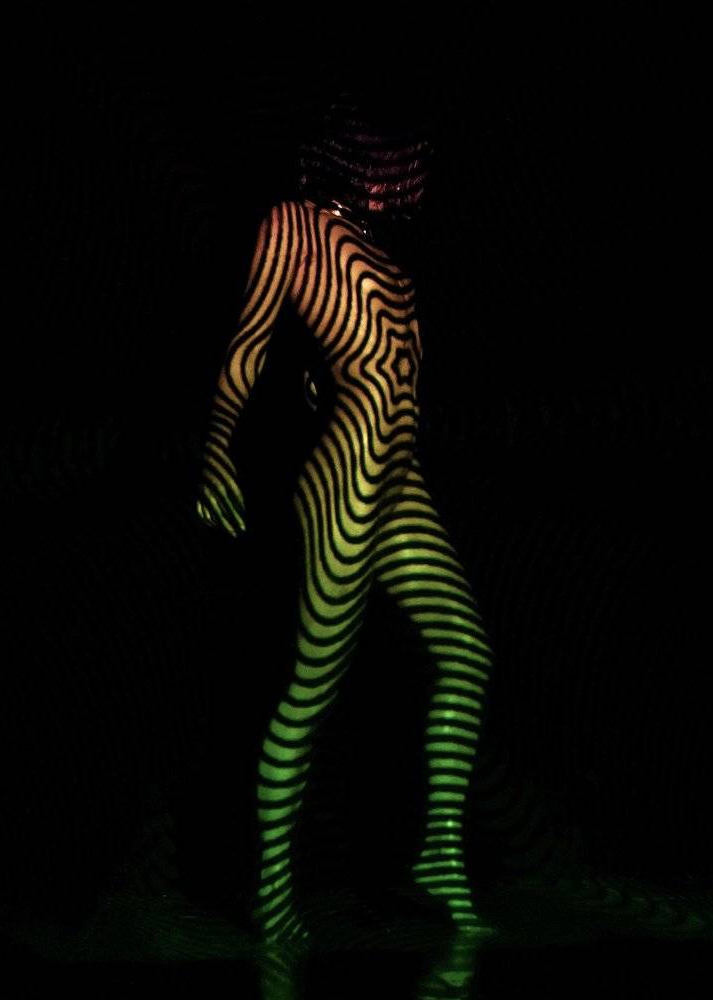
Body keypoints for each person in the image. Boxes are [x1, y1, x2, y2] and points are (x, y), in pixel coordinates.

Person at [195, 91, 493, 952]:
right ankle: (271, 891)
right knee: (313, 686)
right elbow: (248, 346)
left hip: (401, 476)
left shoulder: (391, 264)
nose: (406, 182)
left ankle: (438, 852)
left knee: (467, 652)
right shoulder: (291, 224)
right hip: (350, 470)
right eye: (395, 163)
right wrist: (217, 449)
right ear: (358, 158)